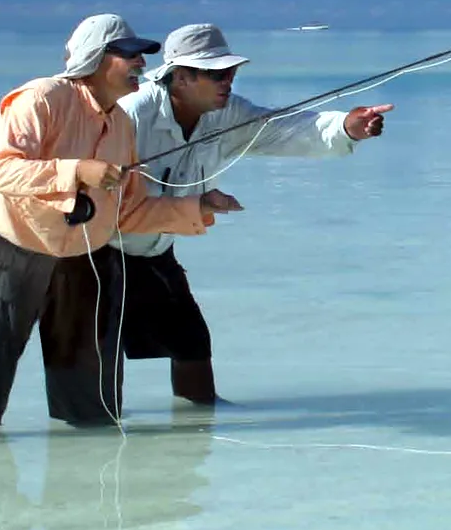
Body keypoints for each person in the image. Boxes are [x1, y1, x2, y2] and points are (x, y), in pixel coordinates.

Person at [0, 14, 243, 433]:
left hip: (83, 259)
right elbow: (5, 174)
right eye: (130, 55)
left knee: (92, 410)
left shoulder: (122, 124)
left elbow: (127, 211)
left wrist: (197, 207)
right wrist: (77, 170)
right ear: (95, 59)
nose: (143, 64)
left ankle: (86, 482)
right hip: (14, 252)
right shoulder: (40, 100)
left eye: (142, 55)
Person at [110, 23, 393, 405]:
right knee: (95, 363)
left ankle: (199, 428)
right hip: (97, 253)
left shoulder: (227, 113)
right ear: (180, 77)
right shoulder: (129, 115)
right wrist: (200, 205)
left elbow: (285, 130)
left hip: (155, 248)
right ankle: (96, 440)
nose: (227, 81)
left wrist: (346, 127)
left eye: (231, 72)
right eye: (216, 74)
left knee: (191, 342)